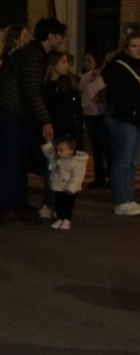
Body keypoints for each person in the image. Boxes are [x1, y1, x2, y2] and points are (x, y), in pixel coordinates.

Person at [0, 18, 66, 219]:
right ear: (51, 36)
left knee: (18, 161)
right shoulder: (33, 54)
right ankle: (9, 206)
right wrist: (45, 120)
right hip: (10, 112)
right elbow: (31, 90)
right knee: (12, 161)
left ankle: (17, 204)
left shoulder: (33, 52)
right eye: (60, 35)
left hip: (14, 112)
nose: (62, 39)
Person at [102, 34, 140, 215]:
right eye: (134, 46)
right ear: (125, 48)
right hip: (124, 121)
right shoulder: (118, 68)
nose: (139, 49)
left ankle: (129, 199)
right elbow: (113, 96)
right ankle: (121, 201)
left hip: (138, 121)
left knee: (132, 162)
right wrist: (132, 110)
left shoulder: (139, 68)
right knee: (121, 162)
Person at [41, 52, 85, 218]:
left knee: (66, 171)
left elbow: (76, 111)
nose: (66, 65)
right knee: (51, 171)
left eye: (67, 62)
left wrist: (77, 133)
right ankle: (48, 204)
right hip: (51, 133)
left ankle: (59, 206)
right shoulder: (44, 87)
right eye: (63, 62)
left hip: (66, 133)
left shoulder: (69, 84)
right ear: (53, 64)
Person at [79, 52, 111, 189]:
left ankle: (111, 176)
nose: (86, 63)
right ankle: (99, 176)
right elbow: (80, 87)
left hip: (102, 114)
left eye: (89, 60)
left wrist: (101, 96)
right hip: (90, 115)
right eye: (85, 60)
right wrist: (91, 73)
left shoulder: (103, 76)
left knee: (106, 147)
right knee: (96, 147)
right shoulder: (84, 76)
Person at [42, 135, 87, 230]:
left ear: (71, 150)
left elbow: (77, 177)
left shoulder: (76, 162)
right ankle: (60, 218)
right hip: (59, 187)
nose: (58, 152)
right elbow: (49, 153)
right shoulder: (57, 159)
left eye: (61, 150)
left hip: (70, 189)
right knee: (58, 204)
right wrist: (48, 143)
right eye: (57, 150)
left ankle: (66, 219)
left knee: (67, 205)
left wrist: (71, 188)